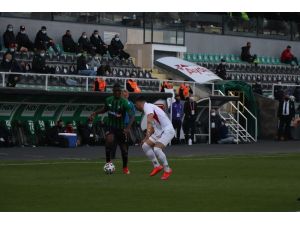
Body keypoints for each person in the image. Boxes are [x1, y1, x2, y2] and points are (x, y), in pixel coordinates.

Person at [90, 83, 135, 175]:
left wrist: (128, 128)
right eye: (116, 91)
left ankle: (125, 167)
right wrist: (95, 113)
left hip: (121, 128)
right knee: (109, 141)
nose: (117, 92)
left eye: (119, 91)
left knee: (124, 150)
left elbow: (132, 116)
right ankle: (108, 163)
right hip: (111, 126)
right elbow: (105, 109)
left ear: (120, 92)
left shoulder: (124, 102)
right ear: (113, 92)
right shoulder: (109, 100)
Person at [135, 96, 175, 180]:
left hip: (167, 130)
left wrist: (147, 134)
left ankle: (167, 170)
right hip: (159, 131)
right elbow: (153, 125)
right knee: (145, 146)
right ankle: (157, 166)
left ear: (139, 103)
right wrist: (147, 138)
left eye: (136, 105)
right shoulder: (150, 107)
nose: (136, 107)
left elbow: (149, 121)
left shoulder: (147, 107)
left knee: (157, 149)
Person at [110, 89, 136, 159]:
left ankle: (125, 155)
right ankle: (112, 156)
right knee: (114, 140)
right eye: (124, 95)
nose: (125, 96)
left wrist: (128, 126)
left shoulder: (131, 104)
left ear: (128, 95)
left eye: (126, 94)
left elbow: (133, 115)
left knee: (125, 141)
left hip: (126, 125)